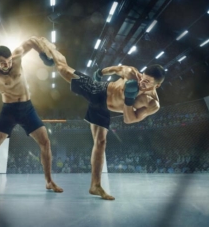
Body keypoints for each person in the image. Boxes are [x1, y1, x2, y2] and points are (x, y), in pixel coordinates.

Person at [39, 37, 166, 200]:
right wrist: (100, 73)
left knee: (101, 142)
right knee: (64, 69)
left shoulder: (152, 104)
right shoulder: (131, 73)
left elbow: (129, 120)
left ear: (157, 86)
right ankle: (51, 49)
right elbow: (115, 69)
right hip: (98, 90)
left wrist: (128, 99)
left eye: (147, 82)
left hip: (103, 109)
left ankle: (95, 186)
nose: (141, 82)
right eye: (142, 77)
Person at [0, 37, 63, 199]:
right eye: (2, 62)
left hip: (27, 108)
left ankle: (49, 181)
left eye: (8, 60)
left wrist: (42, 54)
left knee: (45, 142)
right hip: (9, 111)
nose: (7, 64)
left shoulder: (17, 58)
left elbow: (31, 41)